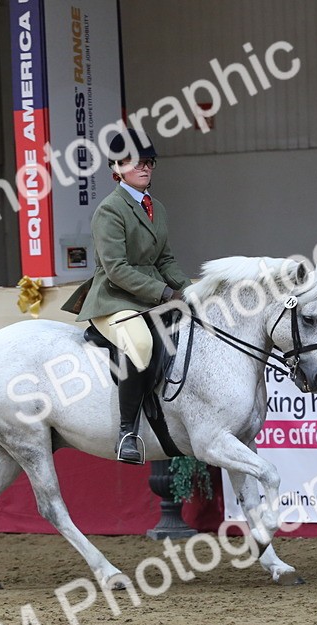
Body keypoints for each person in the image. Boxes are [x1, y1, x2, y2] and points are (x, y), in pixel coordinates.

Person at [62, 130, 190, 464]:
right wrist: (163, 291)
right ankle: (127, 433)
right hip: (113, 299)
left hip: (148, 297)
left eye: (149, 162)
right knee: (142, 344)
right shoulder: (109, 210)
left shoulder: (156, 208)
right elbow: (116, 269)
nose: (145, 168)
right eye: (136, 162)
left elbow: (165, 259)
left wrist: (189, 290)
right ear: (117, 167)